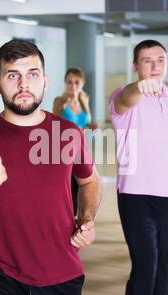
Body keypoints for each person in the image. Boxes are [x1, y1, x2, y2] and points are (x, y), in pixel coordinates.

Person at [0, 40, 101, 295]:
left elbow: (89, 180)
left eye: (32, 74)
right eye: (13, 75)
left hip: (62, 273)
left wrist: (87, 219)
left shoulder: (68, 133)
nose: (23, 84)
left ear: (44, 81)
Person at [108, 39, 168, 295]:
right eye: (147, 60)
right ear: (135, 65)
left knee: (165, 268)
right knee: (145, 267)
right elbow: (127, 98)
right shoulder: (121, 95)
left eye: (160, 59)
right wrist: (140, 86)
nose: (155, 65)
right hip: (136, 196)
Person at [53, 67, 99, 217]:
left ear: (82, 83)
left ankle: (79, 218)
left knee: (84, 185)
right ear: (65, 83)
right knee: (69, 186)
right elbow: (55, 122)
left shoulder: (84, 99)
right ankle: (67, 217)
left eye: (76, 83)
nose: (73, 86)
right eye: (69, 82)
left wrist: (91, 126)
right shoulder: (59, 101)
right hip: (64, 150)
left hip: (82, 149)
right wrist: (65, 104)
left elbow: (83, 124)